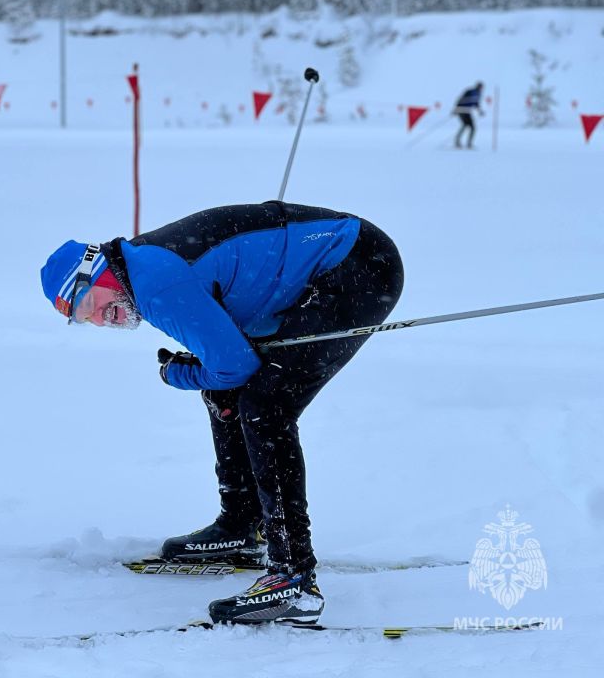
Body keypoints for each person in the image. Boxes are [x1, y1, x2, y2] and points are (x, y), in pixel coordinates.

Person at [40, 202, 404, 625]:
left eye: (87, 302)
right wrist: (207, 371)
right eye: (83, 319)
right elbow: (226, 366)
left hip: (357, 265)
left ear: (98, 270)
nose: (99, 319)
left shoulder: (154, 285)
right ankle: (241, 525)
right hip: (349, 259)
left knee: (266, 407)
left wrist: (177, 374)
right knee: (228, 394)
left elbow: (234, 366)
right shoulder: (141, 269)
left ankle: (293, 579)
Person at [454, 81, 485, 149]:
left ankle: (468, 143)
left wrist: (480, 111)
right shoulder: (470, 91)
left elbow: (476, 103)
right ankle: (458, 142)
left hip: (467, 111)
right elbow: (460, 99)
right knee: (468, 125)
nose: (481, 89)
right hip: (461, 110)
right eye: (481, 87)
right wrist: (455, 109)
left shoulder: (478, 94)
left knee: (470, 127)